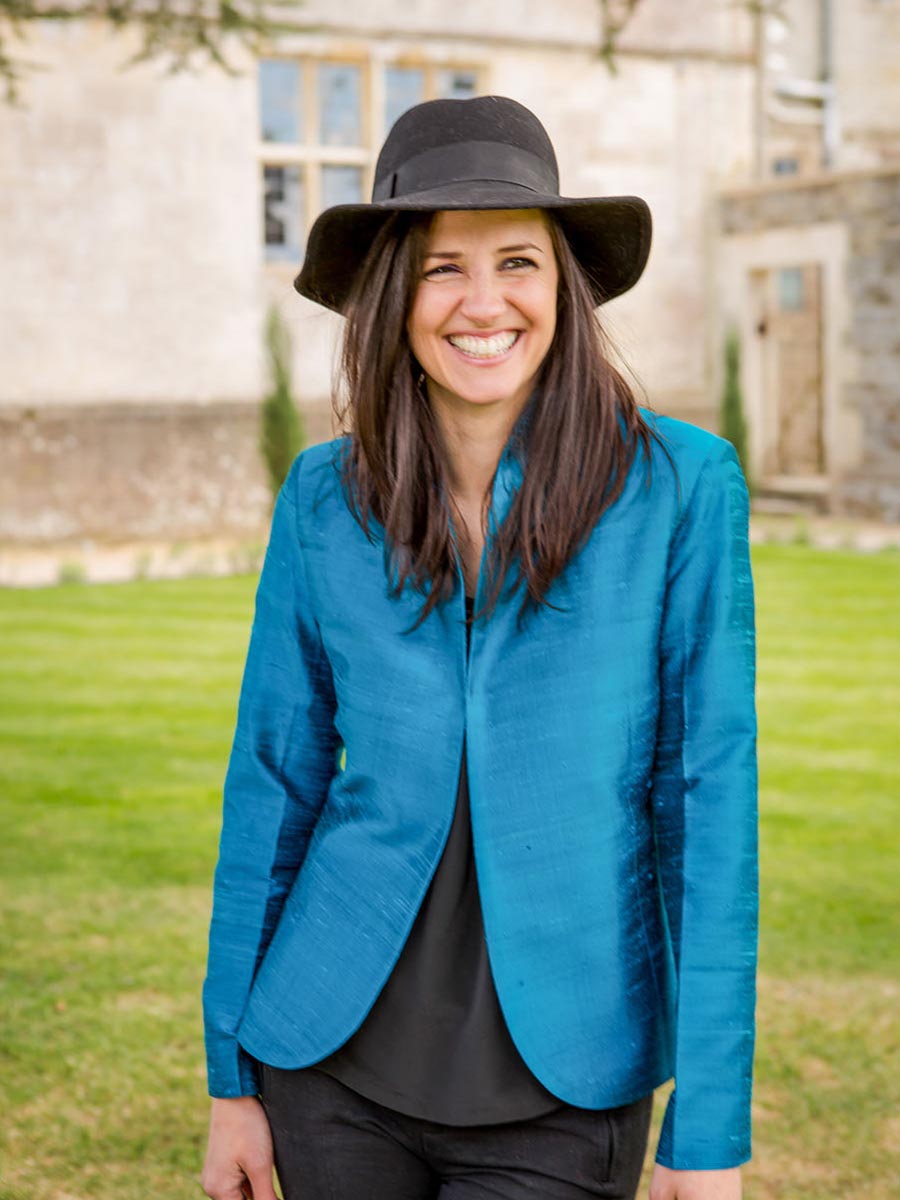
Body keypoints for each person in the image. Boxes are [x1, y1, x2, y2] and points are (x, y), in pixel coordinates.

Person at [201, 95, 758, 1200]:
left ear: (564, 289)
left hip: (565, 1083)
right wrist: (231, 1077)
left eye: (519, 261)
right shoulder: (322, 498)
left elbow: (707, 808)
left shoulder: (683, 488)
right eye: (443, 267)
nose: (484, 302)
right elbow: (272, 785)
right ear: (394, 297)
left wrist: (710, 1132)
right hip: (326, 1059)